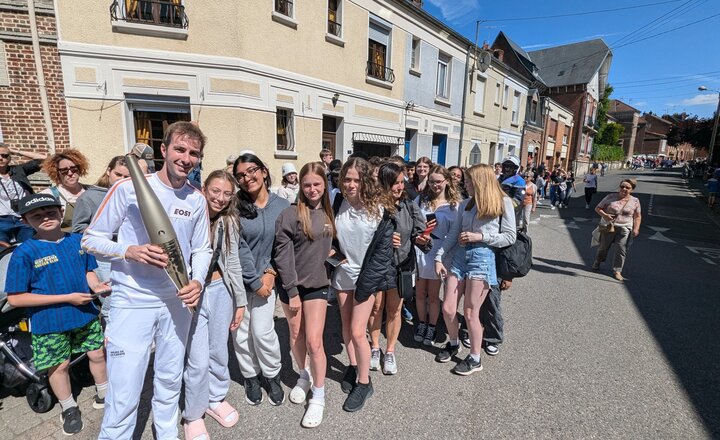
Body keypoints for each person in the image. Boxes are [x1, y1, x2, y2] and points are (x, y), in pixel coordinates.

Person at [82, 121, 212, 439]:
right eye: (180, 149)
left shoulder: (196, 199)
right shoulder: (127, 189)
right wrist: (130, 251)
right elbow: (90, 239)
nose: (186, 158)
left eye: (194, 153)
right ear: (164, 150)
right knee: (125, 390)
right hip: (132, 300)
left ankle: (166, 432)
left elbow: (202, 248)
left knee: (169, 379)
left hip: (176, 301)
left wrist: (197, 281)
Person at [6, 193, 109, 436]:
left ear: (61, 212)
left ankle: (104, 392)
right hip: (49, 322)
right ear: (25, 220)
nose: (45, 218)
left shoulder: (78, 241)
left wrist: (96, 286)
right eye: (37, 215)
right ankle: (69, 407)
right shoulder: (25, 253)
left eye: (51, 212)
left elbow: (89, 271)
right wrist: (67, 298)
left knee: (97, 354)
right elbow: (15, 298)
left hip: (84, 313)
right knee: (59, 366)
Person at [434, 164, 516, 375]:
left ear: (481, 181)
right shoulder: (465, 204)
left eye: (469, 181)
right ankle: (453, 344)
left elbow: (510, 236)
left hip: (482, 258)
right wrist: (439, 257)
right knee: (449, 308)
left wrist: (481, 237)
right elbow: (454, 234)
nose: (465, 184)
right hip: (460, 257)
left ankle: (475, 358)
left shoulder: (503, 202)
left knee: (471, 313)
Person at [183, 170, 247, 439]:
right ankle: (193, 414)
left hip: (221, 290)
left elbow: (232, 261)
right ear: (204, 189)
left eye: (227, 193)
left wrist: (240, 300)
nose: (220, 198)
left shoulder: (228, 220)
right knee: (197, 360)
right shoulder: (188, 215)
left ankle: (216, 398)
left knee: (219, 350)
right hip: (193, 293)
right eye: (215, 191)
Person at [332, 157, 395, 412]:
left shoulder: (379, 209)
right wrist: (332, 255)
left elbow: (382, 254)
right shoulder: (337, 202)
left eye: (356, 179)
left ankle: (364, 383)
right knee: (346, 328)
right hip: (342, 276)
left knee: (359, 332)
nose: (350, 184)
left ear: (366, 180)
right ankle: (354, 365)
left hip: (365, 279)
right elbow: (329, 237)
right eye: (347, 179)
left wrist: (367, 284)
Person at [274, 162, 334, 428]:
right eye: (307, 184)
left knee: (314, 341)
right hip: (292, 287)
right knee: (295, 334)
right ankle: (303, 375)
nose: (312, 189)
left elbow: (341, 245)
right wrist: (291, 290)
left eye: (317, 184)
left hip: (318, 285)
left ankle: (318, 395)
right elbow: (282, 257)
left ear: (324, 185)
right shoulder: (289, 215)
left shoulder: (332, 213)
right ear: (300, 185)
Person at [232, 153, 289, 406]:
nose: (247, 178)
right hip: (239, 281)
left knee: (263, 331)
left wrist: (271, 273)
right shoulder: (235, 206)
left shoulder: (283, 206)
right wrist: (254, 280)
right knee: (241, 333)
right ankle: (251, 377)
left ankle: (272, 375)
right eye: (241, 175)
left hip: (268, 281)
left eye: (251, 171)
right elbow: (237, 247)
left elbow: (285, 246)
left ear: (264, 171)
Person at [368, 162, 430, 375]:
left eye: (402, 182)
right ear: (384, 183)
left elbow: (419, 233)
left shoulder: (409, 206)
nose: (400, 187)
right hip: (377, 266)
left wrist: (422, 239)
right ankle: (375, 347)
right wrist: (384, 239)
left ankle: (390, 351)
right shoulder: (372, 206)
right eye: (395, 183)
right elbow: (363, 237)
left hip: (401, 265)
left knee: (394, 310)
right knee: (375, 308)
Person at [415, 165, 462, 346]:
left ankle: (432, 326)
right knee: (419, 293)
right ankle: (421, 323)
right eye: (432, 181)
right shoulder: (421, 200)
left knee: (433, 295)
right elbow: (413, 221)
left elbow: (455, 234)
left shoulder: (454, 206)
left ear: (447, 182)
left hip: (440, 252)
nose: (435, 185)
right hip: (421, 250)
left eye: (438, 182)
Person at [592, 178, 642, 281]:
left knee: (621, 249)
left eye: (627, 187)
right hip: (609, 226)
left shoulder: (635, 201)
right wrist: (605, 215)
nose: (624, 189)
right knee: (603, 247)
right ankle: (598, 260)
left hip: (625, 228)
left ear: (632, 189)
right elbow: (598, 208)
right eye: (622, 186)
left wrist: (636, 228)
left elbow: (637, 216)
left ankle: (617, 271)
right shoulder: (610, 197)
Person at [0, 144, 47, 244]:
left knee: (28, 248)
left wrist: (16, 151)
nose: (1, 158)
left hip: (23, 218)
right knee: (2, 252)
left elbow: (44, 159)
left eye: (4, 155)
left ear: (9, 158)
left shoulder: (18, 170)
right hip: (1, 220)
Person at [71, 156, 130, 233]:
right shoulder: (88, 197)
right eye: (118, 174)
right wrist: (101, 234)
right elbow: (78, 228)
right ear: (108, 171)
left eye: (126, 177)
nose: (121, 179)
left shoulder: (133, 196)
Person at [40, 149, 90, 232]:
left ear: (80, 169)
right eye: (64, 170)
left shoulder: (90, 191)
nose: (70, 173)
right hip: (65, 242)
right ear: (57, 173)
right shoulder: (48, 195)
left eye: (74, 169)